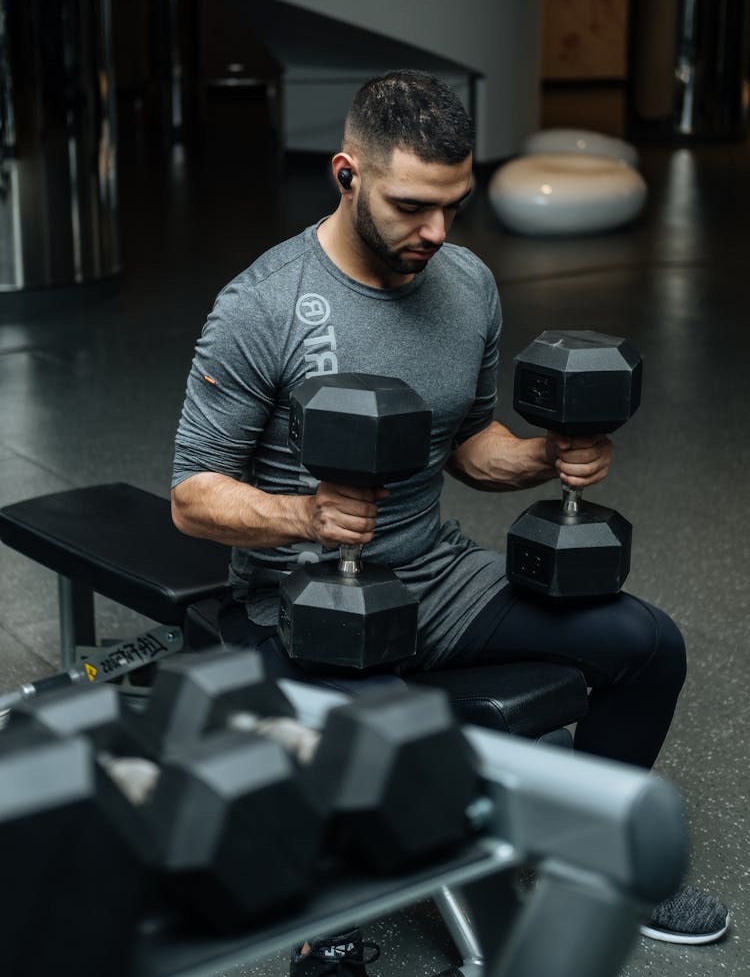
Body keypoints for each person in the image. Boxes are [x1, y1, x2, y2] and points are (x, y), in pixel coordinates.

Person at [171, 70, 729, 973]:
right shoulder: (261, 304)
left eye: (455, 205)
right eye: (411, 206)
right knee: (389, 747)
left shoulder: (464, 282)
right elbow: (192, 495)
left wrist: (552, 454)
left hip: (433, 574)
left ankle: (588, 857)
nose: (436, 231)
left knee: (648, 645)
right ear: (346, 174)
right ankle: (330, 925)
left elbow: (469, 445)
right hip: (300, 602)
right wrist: (305, 512)